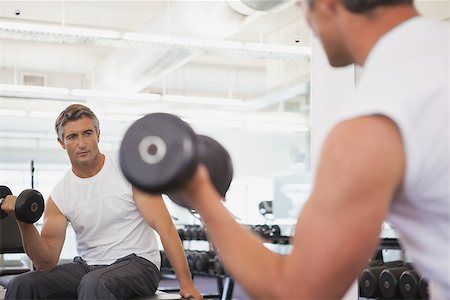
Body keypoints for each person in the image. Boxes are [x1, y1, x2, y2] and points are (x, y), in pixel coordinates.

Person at [160, 0, 449, 299]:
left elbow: (299, 290)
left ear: (326, 4)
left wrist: (201, 195)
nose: (307, 22)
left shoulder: (376, 120)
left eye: (301, 6)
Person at [1, 104, 203, 299]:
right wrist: (23, 221)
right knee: (23, 284)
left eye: (87, 133)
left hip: (139, 264)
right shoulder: (60, 195)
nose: (81, 143)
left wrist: (186, 283)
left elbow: (165, 227)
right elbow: (46, 262)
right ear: (62, 143)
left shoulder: (130, 174)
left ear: (98, 135)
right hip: (87, 266)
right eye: (72, 137)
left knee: (94, 283)